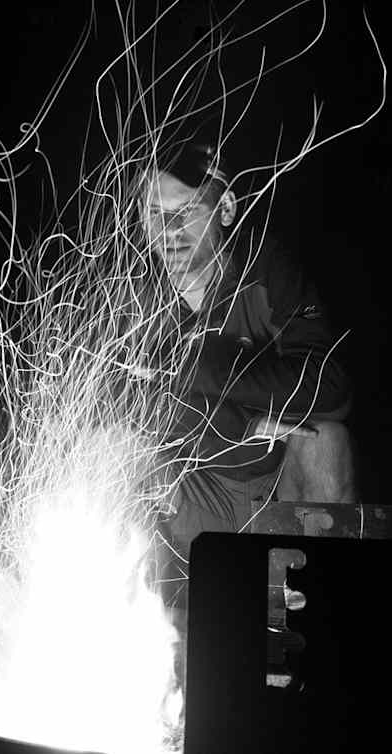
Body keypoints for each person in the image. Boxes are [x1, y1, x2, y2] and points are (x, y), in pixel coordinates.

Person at [137, 141, 355, 568]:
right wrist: (246, 420)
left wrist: (190, 370)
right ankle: (126, 614)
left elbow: (331, 389)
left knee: (327, 441)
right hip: (191, 493)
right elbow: (122, 404)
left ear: (226, 209)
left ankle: (318, 604)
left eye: (186, 213)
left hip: (276, 487)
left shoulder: (265, 267)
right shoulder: (134, 294)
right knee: (113, 448)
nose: (170, 233)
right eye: (155, 216)